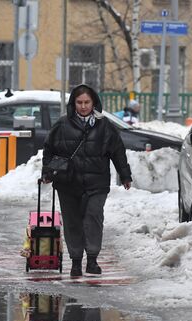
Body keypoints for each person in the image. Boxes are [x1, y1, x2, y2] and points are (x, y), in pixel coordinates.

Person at [42, 84, 132, 277]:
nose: (83, 106)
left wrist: (125, 175)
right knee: (72, 221)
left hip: (96, 183)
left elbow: (118, 152)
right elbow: (49, 150)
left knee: (93, 217)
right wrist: (47, 172)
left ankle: (92, 259)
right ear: (73, 104)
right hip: (68, 183)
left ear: (94, 103)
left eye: (87, 102)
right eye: (79, 102)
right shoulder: (62, 125)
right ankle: (76, 261)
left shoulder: (105, 126)